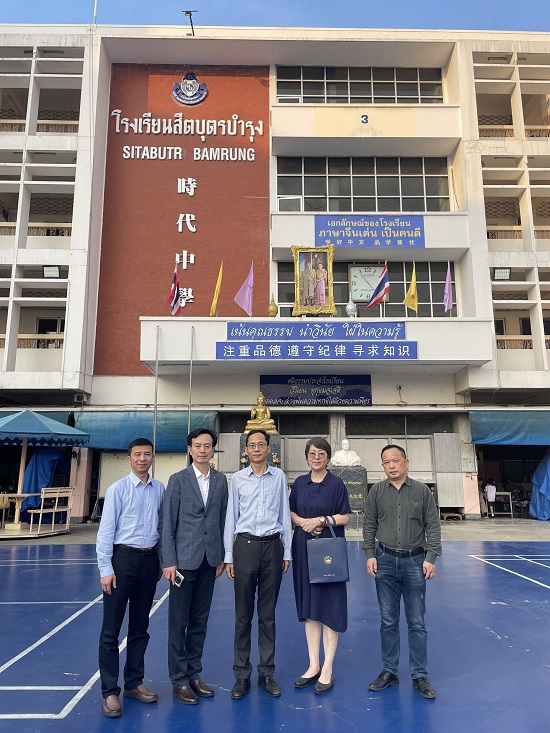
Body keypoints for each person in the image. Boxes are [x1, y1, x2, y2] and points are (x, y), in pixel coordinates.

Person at [363, 444, 441, 700]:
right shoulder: (376, 492)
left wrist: (431, 557)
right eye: (386, 462)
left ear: (406, 463)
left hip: (415, 562)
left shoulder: (422, 491)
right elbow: (369, 525)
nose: (391, 466)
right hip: (384, 561)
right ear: (382, 466)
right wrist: (370, 554)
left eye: (395, 460)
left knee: (416, 622)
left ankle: (419, 675)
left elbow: (433, 525)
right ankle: (389, 671)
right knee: (388, 620)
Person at [96, 438, 164, 718]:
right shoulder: (118, 489)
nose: (142, 459)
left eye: (147, 454)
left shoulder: (159, 489)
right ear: (129, 458)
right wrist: (105, 569)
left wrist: (160, 561)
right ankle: (110, 691)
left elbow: (161, 527)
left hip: (149, 562)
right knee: (111, 630)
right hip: (122, 560)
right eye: (137, 454)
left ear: (152, 457)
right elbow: (106, 531)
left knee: (140, 626)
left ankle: (134, 683)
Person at [160, 428, 228, 705]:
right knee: (179, 622)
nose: (202, 450)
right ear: (190, 449)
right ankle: (179, 680)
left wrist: (221, 555)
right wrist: (168, 561)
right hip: (183, 562)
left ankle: (194, 674)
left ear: (213, 450)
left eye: (207, 446)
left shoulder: (221, 481)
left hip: (209, 561)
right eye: (197, 446)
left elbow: (222, 520)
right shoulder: (178, 480)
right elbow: (168, 523)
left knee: (200, 621)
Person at [224, 429, 292, 700]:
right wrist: (229, 555)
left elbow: (284, 514)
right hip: (245, 547)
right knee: (243, 616)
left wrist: (287, 551)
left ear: (268, 448)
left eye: (260, 444)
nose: (255, 449)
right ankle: (241, 675)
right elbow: (231, 517)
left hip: (272, 547)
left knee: (267, 615)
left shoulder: (279, 477)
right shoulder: (238, 479)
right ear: (246, 450)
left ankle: (266, 673)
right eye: (251, 445)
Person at [289, 437, 350, 694]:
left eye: (321, 453)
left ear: (328, 457)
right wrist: (304, 523)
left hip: (328, 551)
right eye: (312, 453)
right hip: (303, 547)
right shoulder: (299, 484)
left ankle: (327, 668)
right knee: (310, 608)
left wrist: (321, 521)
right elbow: (291, 512)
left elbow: (345, 516)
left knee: (330, 607)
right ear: (307, 457)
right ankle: (313, 665)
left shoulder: (336, 484)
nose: (316, 457)